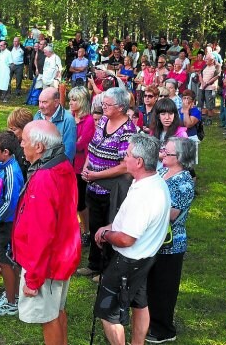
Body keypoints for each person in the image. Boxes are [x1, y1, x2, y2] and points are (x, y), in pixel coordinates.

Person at [93, 133, 171, 345]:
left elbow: (127, 239)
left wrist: (106, 235)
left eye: (127, 155)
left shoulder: (144, 195)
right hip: (145, 258)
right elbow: (131, 225)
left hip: (128, 261)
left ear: (139, 161)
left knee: (108, 313)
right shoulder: (156, 183)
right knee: (140, 303)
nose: (124, 158)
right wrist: (109, 227)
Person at [13, 120, 81, 345]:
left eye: (24, 141)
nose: (21, 145)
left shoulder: (45, 177)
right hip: (61, 255)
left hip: (47, 264)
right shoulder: (62, 165)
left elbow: (41, 233)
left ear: (40, 147)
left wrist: (32, 278)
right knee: (58, 311)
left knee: (48, 317)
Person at [77, 87, 137, 280]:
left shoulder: (127, 131)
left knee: (109, 227)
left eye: (107, 104)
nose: (103, 107)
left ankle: (106, 270)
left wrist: (97, 175)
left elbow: (124, 166)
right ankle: (93, 264)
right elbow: (93, 147)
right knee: (95, 225)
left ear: (121, 107)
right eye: (103, 103)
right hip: (93, 183)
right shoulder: (103, 120)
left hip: (111, 189)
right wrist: (87, 169)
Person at [146, 137, 196, 344]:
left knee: (164, 288)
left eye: (168, 153)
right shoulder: (161, 172)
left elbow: (171, 214)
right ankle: (150, 322)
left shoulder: (184, 182)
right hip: (153, 240)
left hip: (171, 244)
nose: (163, 154)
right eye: (163, 151)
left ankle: (164, 330)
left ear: (181, 158)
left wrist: (143, 213)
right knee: (151, 285)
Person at [0, 131, 24, 316]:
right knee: (8, 260)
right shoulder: (3, 164)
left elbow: (10, 202)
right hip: (2, 220)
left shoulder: (10, 171)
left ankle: (11, 302)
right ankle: (12, 294)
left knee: (5, 261)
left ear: (6, 151)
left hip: (9, 224)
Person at [68, 86, 95, 244]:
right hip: (68, 164)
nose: (70, 102)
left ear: (83, 101)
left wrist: (67, 143)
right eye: (70, 99)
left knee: (80, 202)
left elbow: (80, 143)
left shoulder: (89, 120)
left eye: (74, 99)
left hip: (80, 165)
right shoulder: (70, 116)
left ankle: (86, 230)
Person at [33, 87, 77, 161]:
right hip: (38, 165)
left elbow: (69, 152)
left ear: (56, 102)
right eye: (39, 102)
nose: (40, 106)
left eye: (44, 102)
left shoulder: (68, 120)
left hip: (57, 168)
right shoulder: (38, 115)